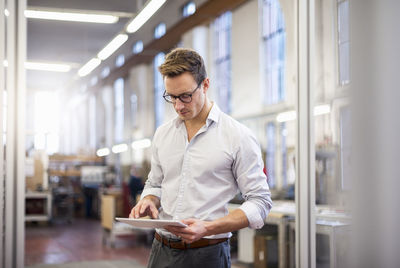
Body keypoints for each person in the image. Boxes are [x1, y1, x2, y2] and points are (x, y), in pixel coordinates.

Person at [129, 48, 272, 268]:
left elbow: (260, 202)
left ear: (205, 85)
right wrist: (149, 199)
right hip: (160, 250)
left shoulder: (237, 136)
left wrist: (208, 227)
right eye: (172, 97)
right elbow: (155, 183)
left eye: (186, 96)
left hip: (207, 254)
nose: (178, 106)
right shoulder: (163, 134)